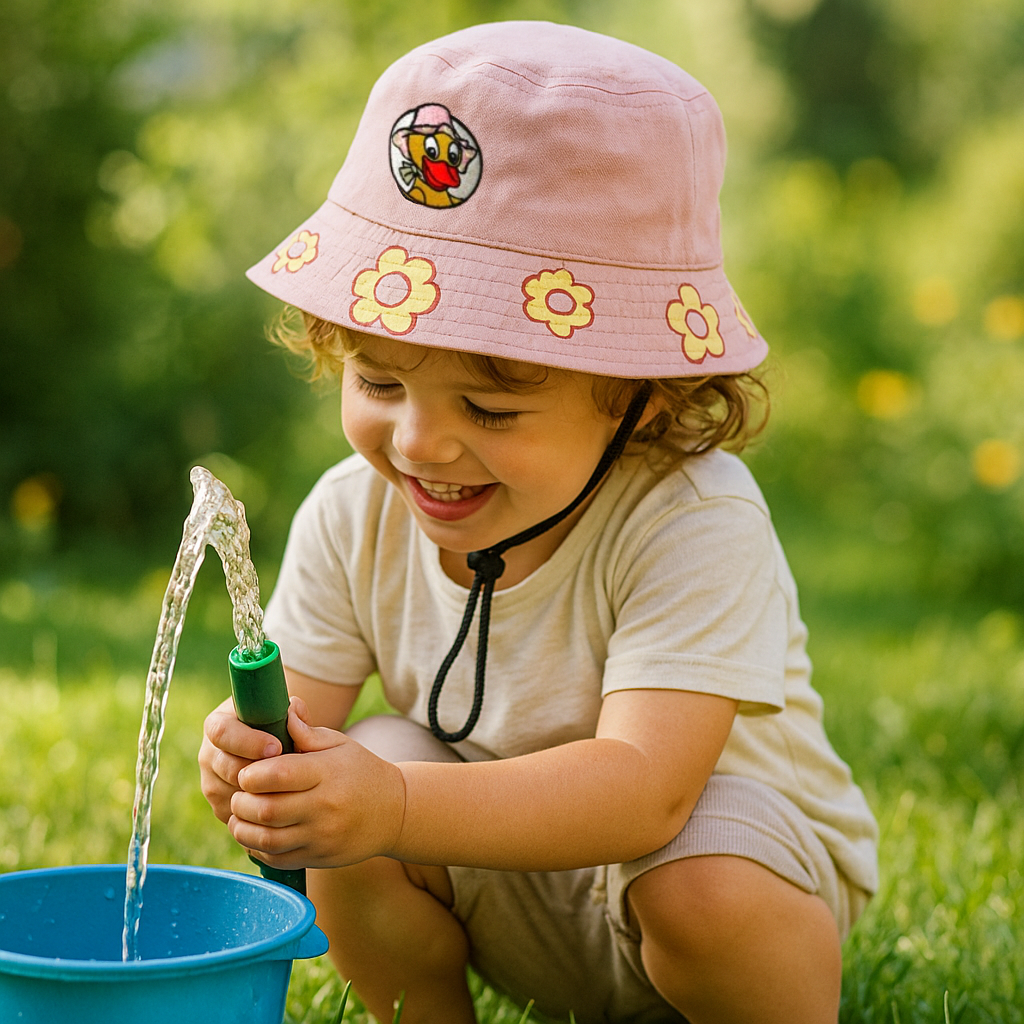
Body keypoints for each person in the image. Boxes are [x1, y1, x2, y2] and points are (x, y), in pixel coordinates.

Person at [198, 21, 878, 1024]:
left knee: (699, 880)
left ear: (639, 397)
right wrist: (259, 763)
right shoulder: (353, 512)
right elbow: (304, 729)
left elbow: (644, 790)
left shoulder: (692, 518)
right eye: (379, 382)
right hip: (508, 885)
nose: (419, 443)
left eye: (489, 408)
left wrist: (391, 801)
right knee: (361, 769)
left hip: (718, 886)